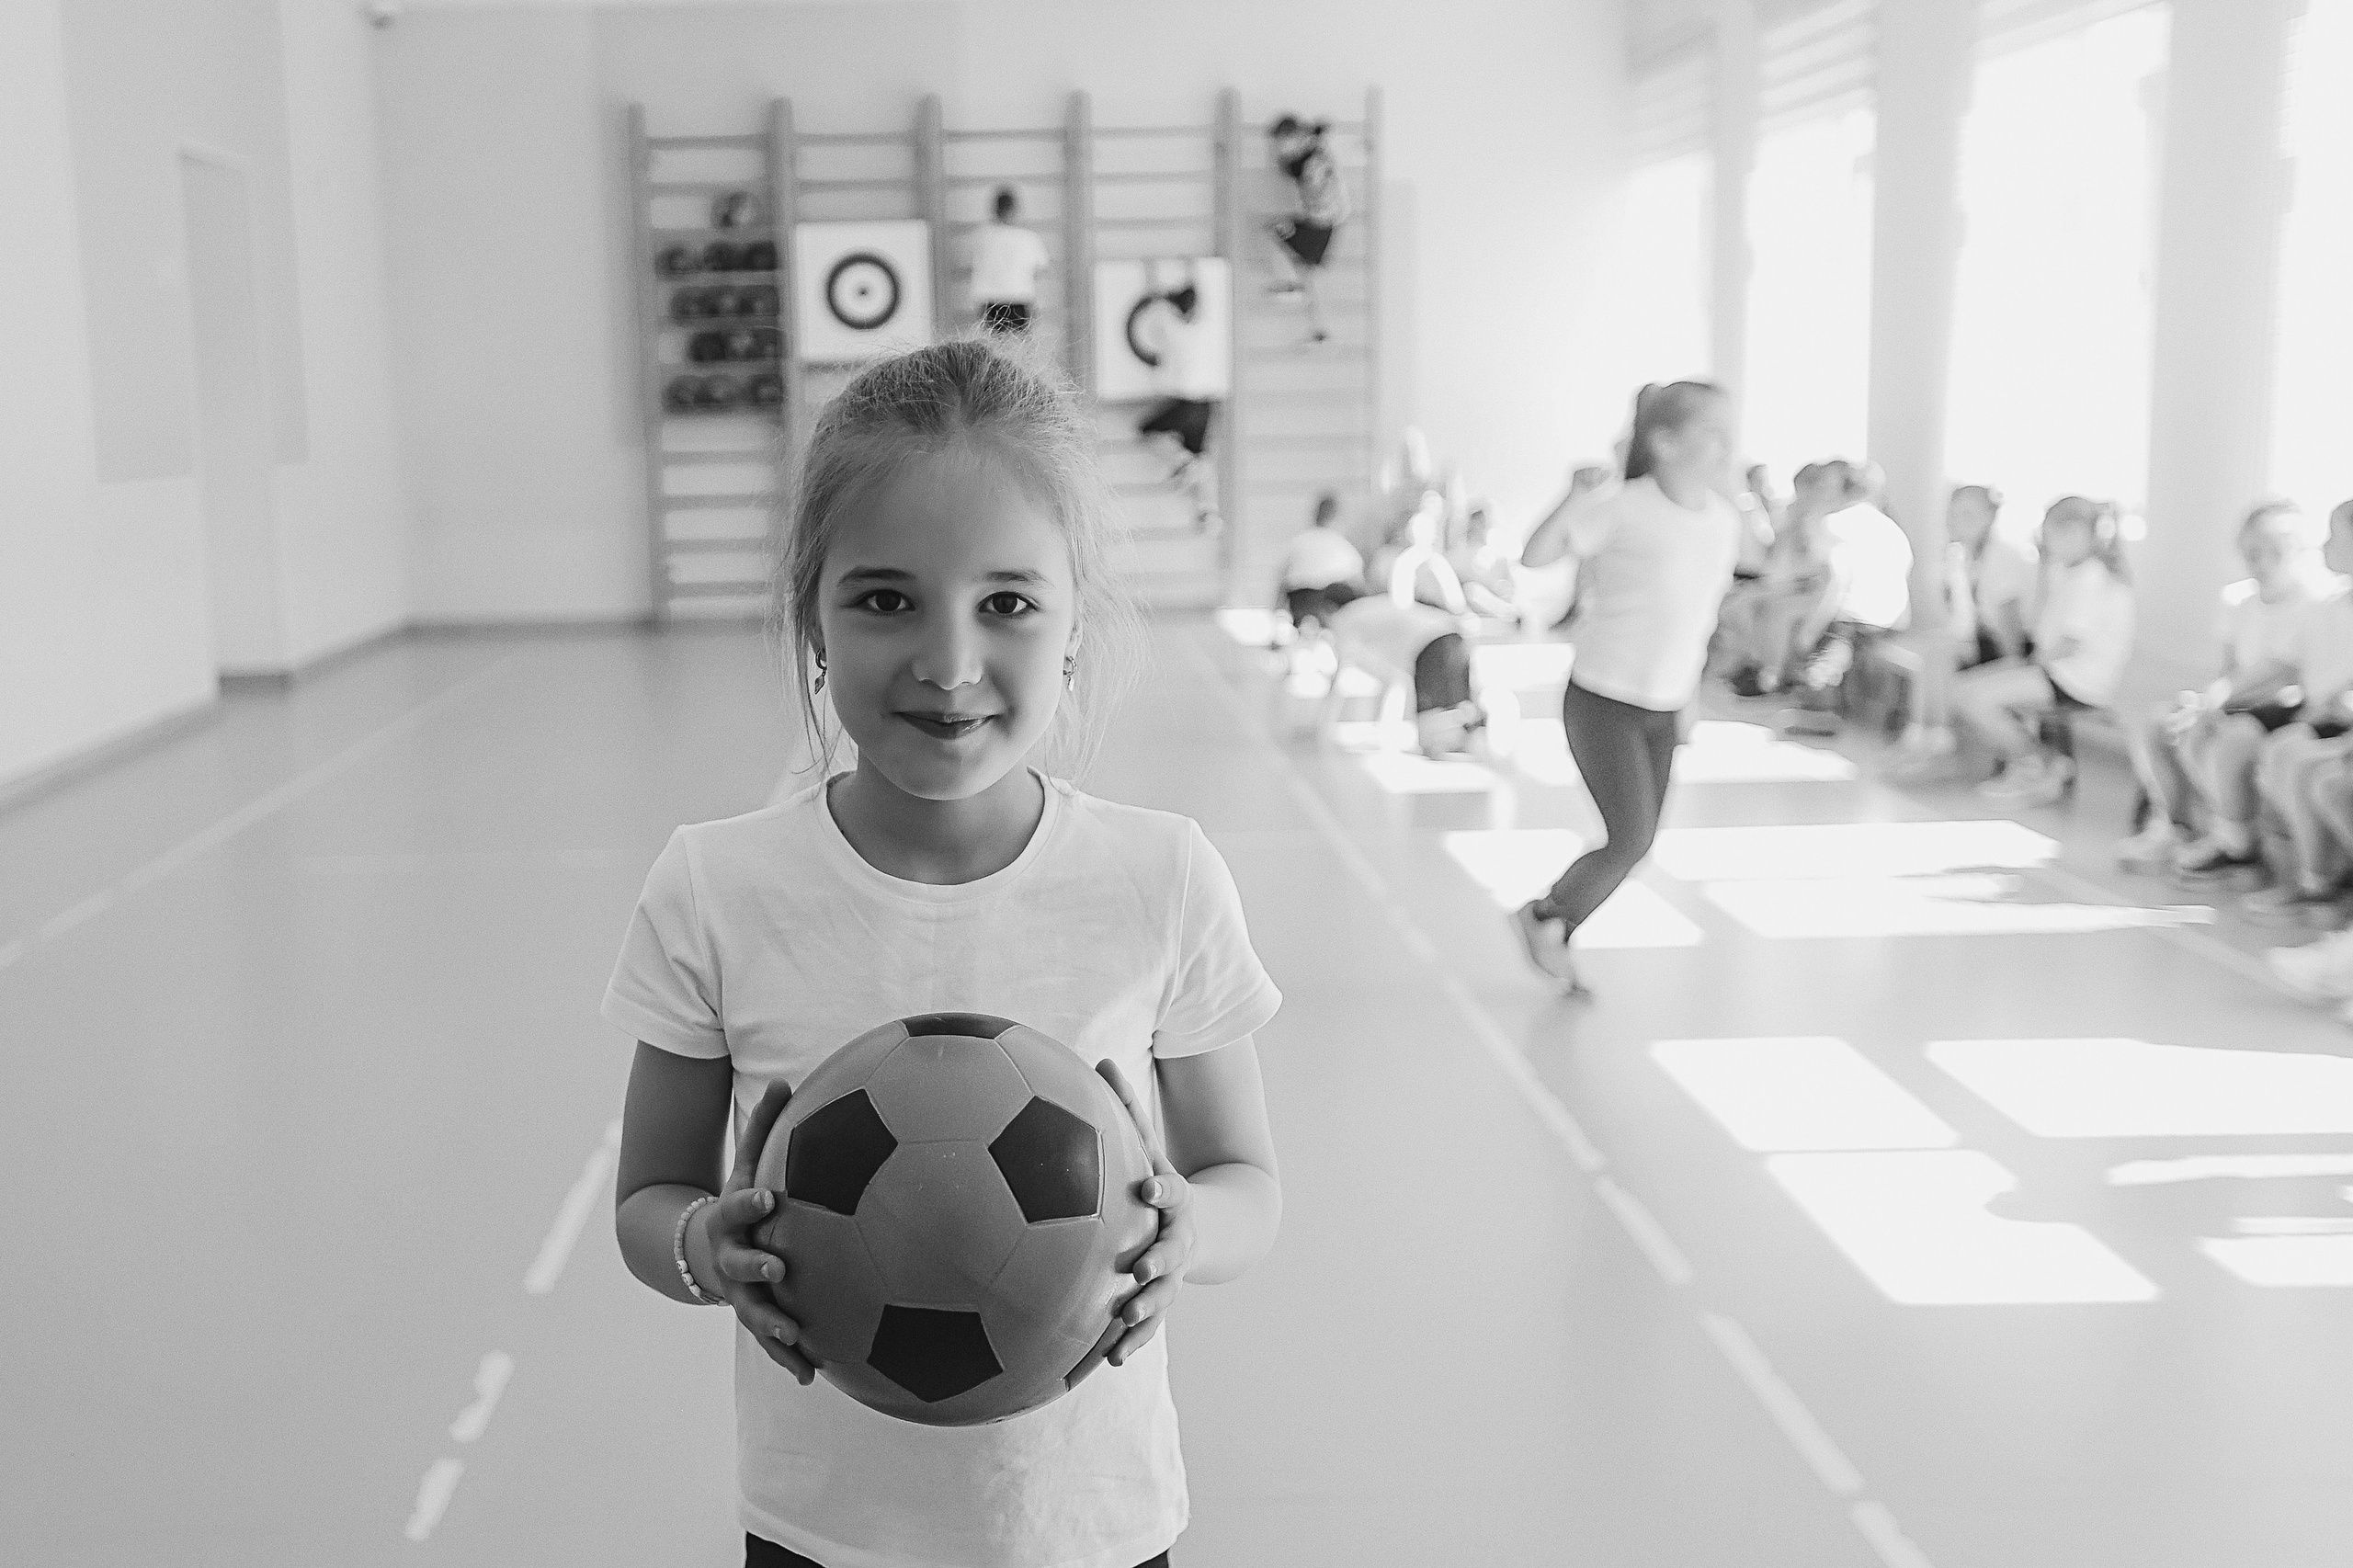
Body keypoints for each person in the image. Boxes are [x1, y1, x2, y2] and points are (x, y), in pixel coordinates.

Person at [606, 339, 1283, 1568]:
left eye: (1009, 603)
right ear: (810, 614)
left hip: (1091, 1524)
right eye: (883, 598)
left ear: (1077, 620)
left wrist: (1192, 1226)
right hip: (824, 1529)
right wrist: (702, 1246)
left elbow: (1247, 1179)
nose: (950, 661)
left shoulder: (1160, 877)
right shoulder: (718, 888)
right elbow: (647, 1201)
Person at [1510, 381, 1744, 994]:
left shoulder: (1721, 521)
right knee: (1631, 838)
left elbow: (1697, 619)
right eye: (1713, 435)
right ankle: (1546, 917)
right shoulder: (1625, 505)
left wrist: (1688, 704)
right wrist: (1570, 496)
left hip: (1664, 706)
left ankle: (1551, 920)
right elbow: (1535, 558)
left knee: (1637, 845)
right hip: (1603, 699)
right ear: (1665, 443)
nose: (1728, 447)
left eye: (1731, 433)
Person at [2115, 499, 2343, 874]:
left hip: (2279, 709)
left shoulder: (2312, 604)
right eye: (2253, 550)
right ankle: (2177, 826)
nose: (2262, 561)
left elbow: (2285, 673)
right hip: (2237, 702)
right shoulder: (2237, 601)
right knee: (2161, 723)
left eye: (2273, 551)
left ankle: (2236, 842)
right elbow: (2230, 670)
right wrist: (2210, 702)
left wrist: (2216, 704)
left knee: (2218, 741)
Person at [1949, 496, 2136, 806]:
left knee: (1974, 696)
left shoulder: (2093, 577)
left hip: (2077, 680)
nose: (2052, 544)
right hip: (2058, 671)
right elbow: (2042, 628)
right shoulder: (2071, 572)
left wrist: (2020, 669)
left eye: (2056, 536)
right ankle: (2033, 763)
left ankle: (2039, 763)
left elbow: (2067, 645)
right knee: (1966, 689)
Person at [1785, 460, 1914, 699]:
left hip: (1851, 625)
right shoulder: (1894, 530)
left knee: (1795, 623)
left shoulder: (1837, 524)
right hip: (1894, 624)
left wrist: (1809, 633)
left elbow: (1835, 583)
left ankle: (1799, 687)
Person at [1718, 460, 1845, 696]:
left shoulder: (1818, 518)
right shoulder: (1794, 512)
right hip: (1782, 582)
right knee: (1735, 609)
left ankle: (1767, 673)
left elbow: (1821, 567)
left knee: (1765, 613)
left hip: (1799, 586)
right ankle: (1755, 666)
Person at [1318, 592, 1487, 757]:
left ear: (1327, 609)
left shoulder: (1343, 619)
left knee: (1430, 717)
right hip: (1453, 634)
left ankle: (1448, 745)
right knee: (1458, 702)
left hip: (1430, 643)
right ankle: (1474, 741)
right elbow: (1388, 677)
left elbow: (1340, 674)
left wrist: (1322, 724)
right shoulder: (1367, 608)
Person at [1132, 284, 1222, 528]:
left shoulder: (1171, 329)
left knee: (1147, 431)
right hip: (1207, 405)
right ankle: (1208, 511)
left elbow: (1152, 312)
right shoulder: (1205, 328)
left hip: (1185, 404)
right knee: (1201, 455)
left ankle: (1186, 463)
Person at [1266, 115, 1350, 345]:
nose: (1280, 149)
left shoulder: (1307, 159)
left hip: (1320, 222)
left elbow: (1294, 167)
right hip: (1328, 221)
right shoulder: (1312, 150)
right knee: (1311, 276)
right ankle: (1320, 331)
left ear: (1291, 138)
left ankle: (1290, 284)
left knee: (1276, 231)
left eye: (1282, 143)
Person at [1943, 483, 2038, 669]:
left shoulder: (2001, 560)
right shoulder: (1965, 557)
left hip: (2017, 651)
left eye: (1968, 515)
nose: (1954, 522)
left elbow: (2011, 633)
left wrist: (2010, 677)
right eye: (1952, 514)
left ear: (1989, 517)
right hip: (1988, 643)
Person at [964, 187, 1051, 335]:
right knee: (1020, 346)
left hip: (989, 298)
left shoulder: (979, 237)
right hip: (1019, 297)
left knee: (992, 346)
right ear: (1015, 210)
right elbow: (1040, 270)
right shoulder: (1029, 238)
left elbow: (970, 266)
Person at [1277, 491, 1366, 631]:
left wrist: (1276, 613)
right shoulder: (1342, 546)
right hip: (1328, 604)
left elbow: (1282, 581)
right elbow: (1357, 580)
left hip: (1299, 603)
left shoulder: (1298, 542)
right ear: (1335, 518)